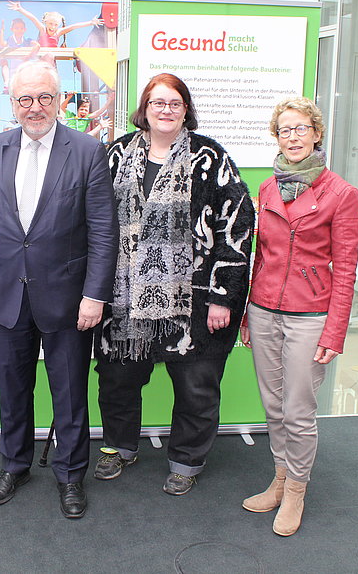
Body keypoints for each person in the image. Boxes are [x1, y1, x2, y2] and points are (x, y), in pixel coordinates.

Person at [0, 60, 118, 519]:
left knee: (69, 393)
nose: (35, 107)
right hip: (4, 294)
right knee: (12, 389)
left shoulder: (88, 151)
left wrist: (95, 295)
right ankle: (15, 465)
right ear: (11, 104)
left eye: (45, 97)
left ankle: (70, 476)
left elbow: (103, 231)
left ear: (60, 100)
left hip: (69, 298)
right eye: (25, 99)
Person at [93, 73, 255, 496]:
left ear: (186, 109)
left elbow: (237, 225)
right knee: (117, 380)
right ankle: (118, 447)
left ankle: (186, 459)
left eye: (175, 103)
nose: (166, 110)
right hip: (124, 299)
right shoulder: (114, 154)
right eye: (157, 102)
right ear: (144, 108)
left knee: (196, 386)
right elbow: (92, 221)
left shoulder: (210, 157)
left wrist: (225, 295)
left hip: (195, 300)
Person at [239, 96, 358, 537]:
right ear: (277, 136)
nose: (292, 137)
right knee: (273, 406)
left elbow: (346, 268)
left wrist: (336, 329)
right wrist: (248, 316)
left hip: (311, 314)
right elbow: (259, 257)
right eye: (284, 130)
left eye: (300, 129)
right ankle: (278, 479)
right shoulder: (268, 189)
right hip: (265, 309)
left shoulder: (342, 194)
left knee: (298, 410)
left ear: (316, 133)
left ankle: (296, 491)